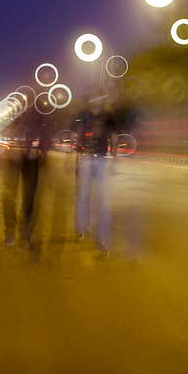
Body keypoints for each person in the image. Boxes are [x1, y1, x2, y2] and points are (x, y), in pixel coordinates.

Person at [0, 107, 50, 255]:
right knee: (8, 194)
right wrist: (6, 150)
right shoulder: (12, 108)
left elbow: (45, 131)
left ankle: (25, 229)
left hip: (32, 157)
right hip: (14, 156)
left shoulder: (40, 109)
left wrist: (43, 151)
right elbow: (2, 129)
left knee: (29, 196)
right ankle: (10, 229)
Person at [73, 94, 116, 257]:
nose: (95, 101)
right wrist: (74, 158)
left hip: (102, 160)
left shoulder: (108, 116)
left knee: (102, 199)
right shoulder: (82, 115)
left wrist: (114, 159)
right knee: (83, 196)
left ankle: (102, 239)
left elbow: (113, 137)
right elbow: (76, 136)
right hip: (85, 159)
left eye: (98, 98)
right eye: (92, 98)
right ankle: (81, 228)